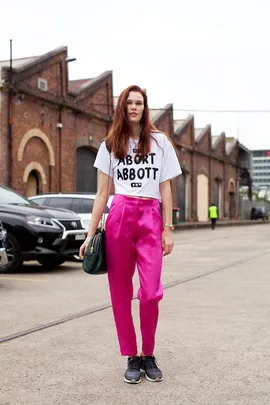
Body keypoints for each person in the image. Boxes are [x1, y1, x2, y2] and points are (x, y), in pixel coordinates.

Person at [79, 85, 182, 384]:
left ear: (145, 107)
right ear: (122, 107)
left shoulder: (161, 143)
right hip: (120, 216)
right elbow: (101, 195)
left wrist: (168, 228)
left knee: (150, 293)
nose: (134, 107)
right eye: (129, 103)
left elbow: (166, 188)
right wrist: (89, 234)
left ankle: (148, 353)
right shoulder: (110, 144)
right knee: (120, 294)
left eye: (139, 102)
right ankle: (132, 356)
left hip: (150, 217)